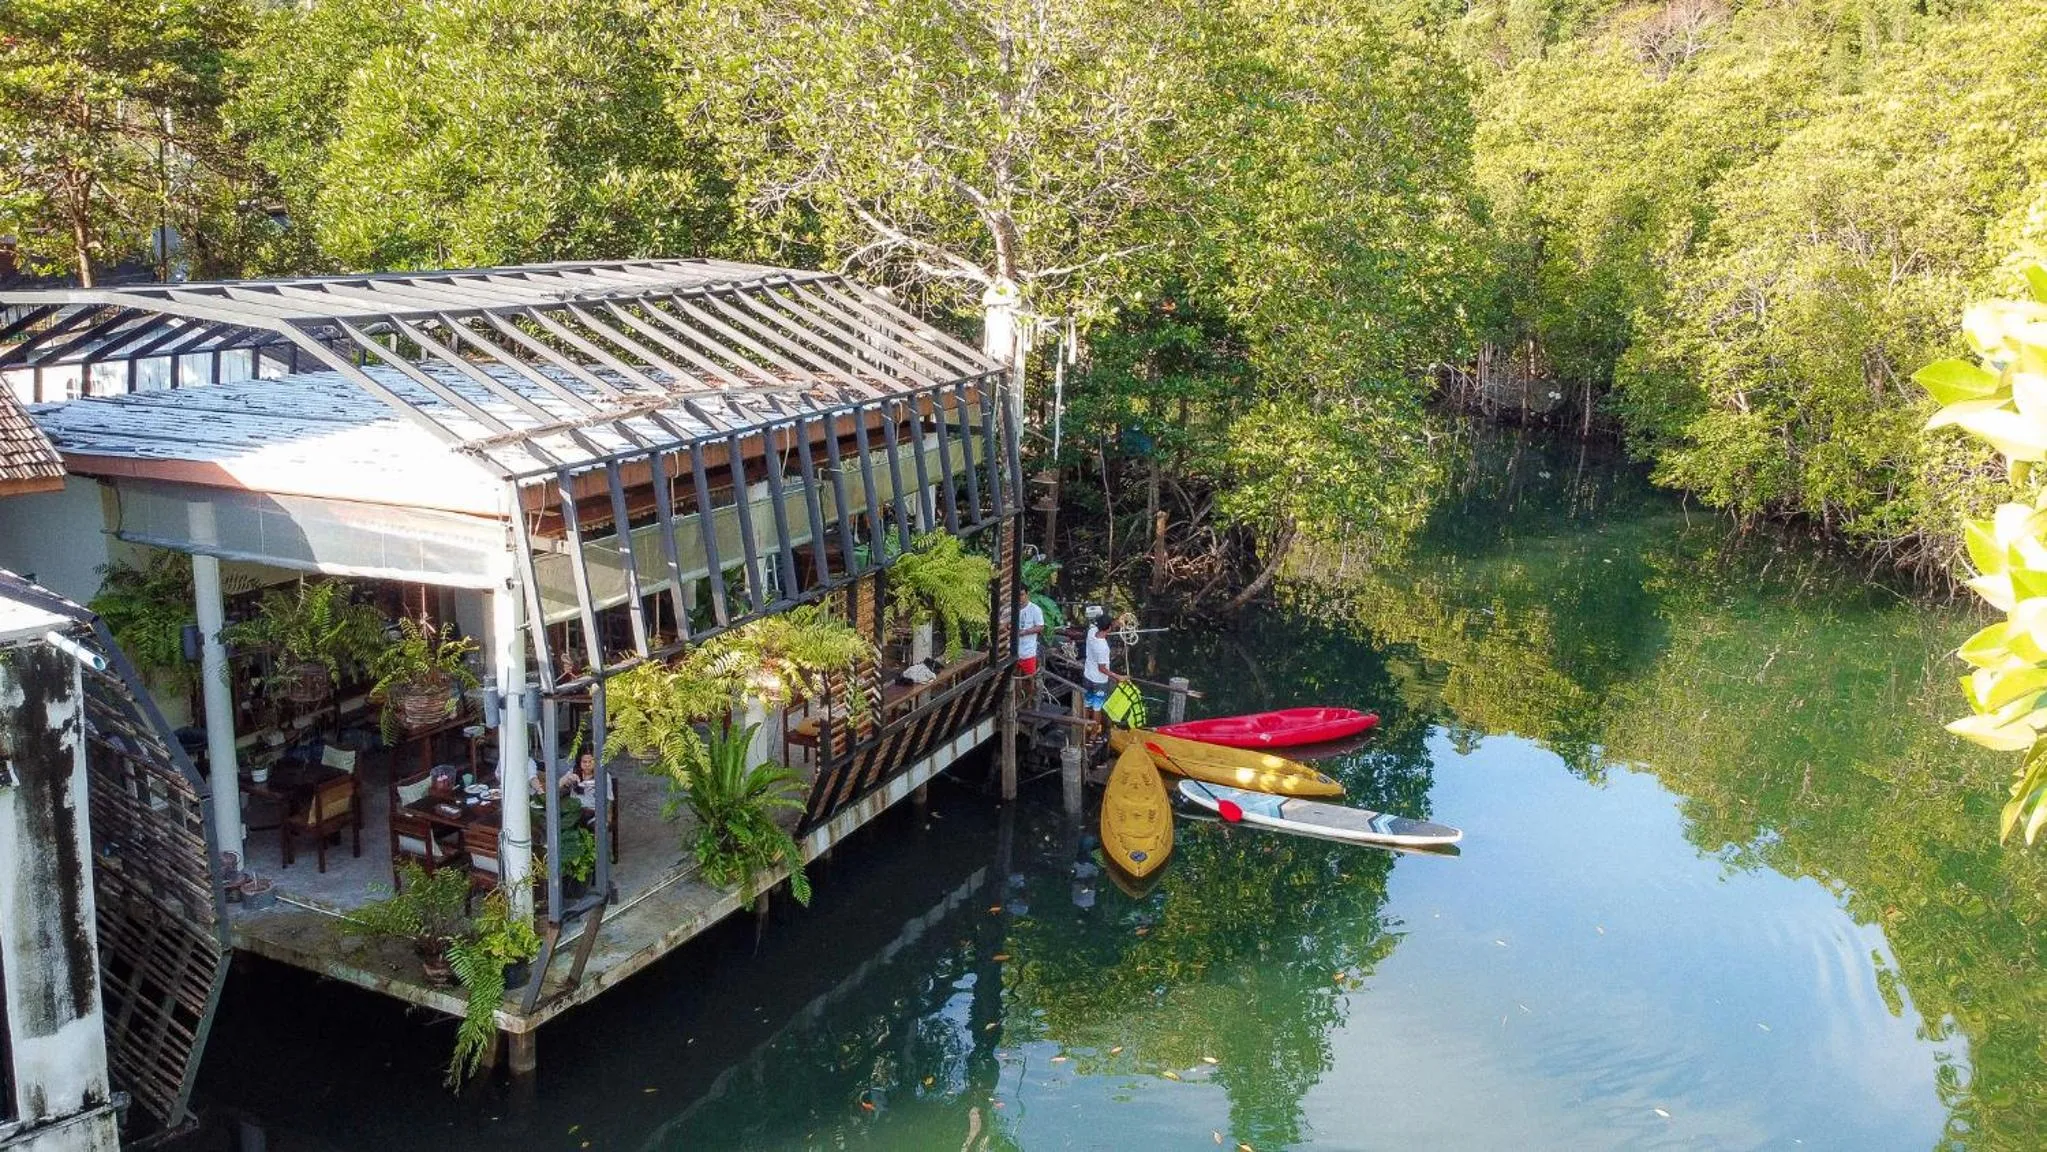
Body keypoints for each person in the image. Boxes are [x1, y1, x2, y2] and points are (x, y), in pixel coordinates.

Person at [1081, 605, 1123, 736]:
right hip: (1099, 681)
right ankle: (1093, 734)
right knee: (1097, 708)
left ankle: (1083, 730)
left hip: (1087, 676)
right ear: (1109, 628)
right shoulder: (1103, 647)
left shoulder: (1091, 632)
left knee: (1087, 704)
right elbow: (1102, 668)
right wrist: (1117, 676)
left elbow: (1100, 624)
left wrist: (1117, 621)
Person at [1015, 584, 1045, 677]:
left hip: (1028, 652)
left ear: (1027, 594)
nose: (1019, 598)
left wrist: (1025, 632)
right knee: (1014, 680)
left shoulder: (1035, 609)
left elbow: (1040, 627)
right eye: (1017, 595)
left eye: (1022, 594)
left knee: (1030, 679)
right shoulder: (1011, 609)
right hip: (1013, 653)